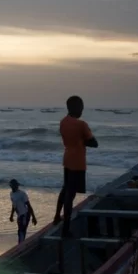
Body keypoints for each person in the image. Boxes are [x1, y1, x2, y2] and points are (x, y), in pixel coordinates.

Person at [53, 95, 98, 237]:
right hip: (78, 162)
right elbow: (94, 143)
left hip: (67, 158)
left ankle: (56, 217)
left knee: (65, 189)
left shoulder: (63, 122)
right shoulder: (81, 125)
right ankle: (66, 229)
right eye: (81, 107)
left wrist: (80, 139)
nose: (82, 110)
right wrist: (83, 139)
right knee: (70, 195)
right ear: (76, 108)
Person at [8, 179, 37, 244]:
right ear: (11, 186)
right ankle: (21, 243)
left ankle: (21, 244)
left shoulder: (22, 194)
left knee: (21, 230)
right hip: (20, 215)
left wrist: (34, 217)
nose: (15, 187)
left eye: (16, 185)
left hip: (25, 214)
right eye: (13, 185)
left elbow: (29, 205)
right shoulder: (11, 194)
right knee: (20, 230)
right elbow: (13, 205)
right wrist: (11, 215)